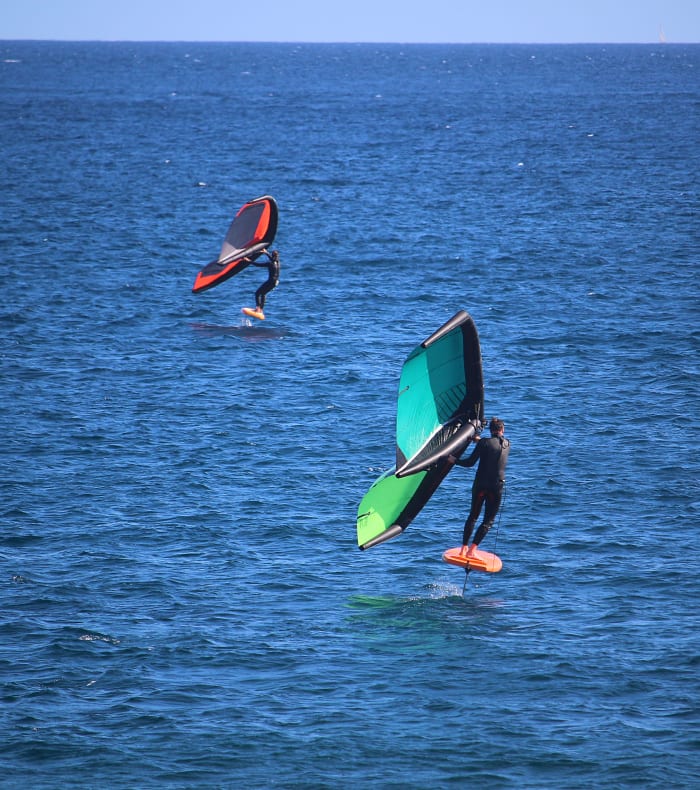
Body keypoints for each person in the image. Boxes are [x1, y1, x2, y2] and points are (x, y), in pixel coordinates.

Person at [456, 417, 510, 558]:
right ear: (502, 430)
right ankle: (472, 551)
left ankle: (463, 549)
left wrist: (454, 460)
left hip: (481, 485)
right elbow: (495, 445)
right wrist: (480, 441)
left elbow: (469, 463)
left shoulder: (484, 443)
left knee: (473, 516)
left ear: (490, 430)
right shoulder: (508, 444)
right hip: (496, 487)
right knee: (488, 521)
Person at [248, 249, 280, 318]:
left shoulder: (270, 264)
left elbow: (258, 265)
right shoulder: (278, 262)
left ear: (272, 255)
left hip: (270, 281)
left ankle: (258, 308)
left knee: (257, 293)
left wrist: (249, 261)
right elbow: (272, 259)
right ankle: (261, 310)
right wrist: (266, 253)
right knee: (263, 294)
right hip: (275, 282)